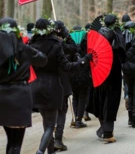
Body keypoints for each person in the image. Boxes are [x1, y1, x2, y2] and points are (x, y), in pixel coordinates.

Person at [29, 18, 92, 154]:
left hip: (35, 87)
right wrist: (84, 61)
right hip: (53, 86)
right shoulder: (57, 45)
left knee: (46, 123)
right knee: (51, 125)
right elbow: (68, 66)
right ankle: (40, 151)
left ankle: (50, 150)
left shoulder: (31, 45)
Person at [0, 17, 48, 154]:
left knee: (11, 139)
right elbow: (43, 60)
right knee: (16, 143)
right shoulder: (24, 49)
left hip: (2, 96)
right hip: (20, 95)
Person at [87, 14, 126, 143]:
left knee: (100, 99)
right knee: (111, 101)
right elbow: (123, 56)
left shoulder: (96, 35)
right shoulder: (117, 35)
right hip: (113, 73)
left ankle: (103, 128)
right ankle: (107, 132)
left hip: (98, 71)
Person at [53, 20, 78, 151]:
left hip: (46, 83)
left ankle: (50, 138)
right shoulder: (60, 45)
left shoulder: (40, 42)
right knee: (62, 110)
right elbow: (74, 48)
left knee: (51, 112)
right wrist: (67, 36)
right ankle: (57, 139)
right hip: (61, 80)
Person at [69, 26, 92, 129]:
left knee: (75, 97)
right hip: (83, 75)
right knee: (82, 97)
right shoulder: (87, 44)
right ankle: (79, 119)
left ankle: (75, 118)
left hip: (72, 74)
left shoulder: (69, 45)